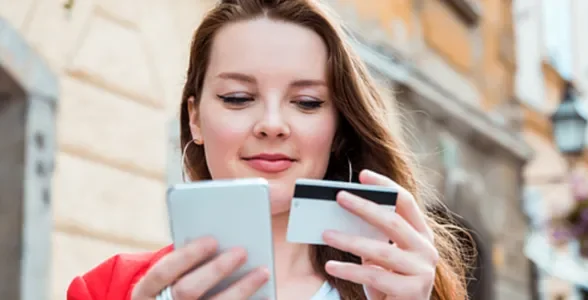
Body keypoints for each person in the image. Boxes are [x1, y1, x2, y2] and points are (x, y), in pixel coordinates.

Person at [66, 0, 471, 299]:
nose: (273, 124)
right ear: (194, 118)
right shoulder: (105, 289)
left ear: (339, 128)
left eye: (307, 102)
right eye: (238, 97)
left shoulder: (403, 287)